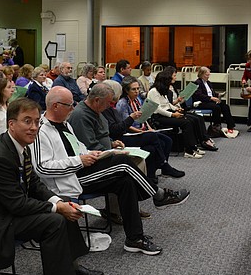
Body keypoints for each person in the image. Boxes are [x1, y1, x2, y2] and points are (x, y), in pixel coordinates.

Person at [0, 97, 103, 275]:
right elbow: (17, 205)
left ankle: (70, 267)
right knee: (54, 220)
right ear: (11, 124)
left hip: (4, 208)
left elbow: (34, 183)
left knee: (64, 203)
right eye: (27, 121)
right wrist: (57, 208)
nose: (34, 127)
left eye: (37, 122)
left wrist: (58, 202)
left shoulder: (21, 146)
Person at [32, 87, 188, 256]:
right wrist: (79, 160)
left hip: (81, 169)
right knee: (122, 163)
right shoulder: (41, 131)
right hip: (68, 180)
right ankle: (158, 195)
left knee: (125, 181)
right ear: (55, 106)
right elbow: (42, 167)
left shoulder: (65, 124)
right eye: (69, 105)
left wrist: (91, 154)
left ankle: (134, 239)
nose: (72, 108)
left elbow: (78, 148)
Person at [114, 77, 184, 179]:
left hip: (142, 129)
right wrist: (143, 132)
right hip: (130, 134)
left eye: (138, 89)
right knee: (152, 146)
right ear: (126, 90)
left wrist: (149, 128)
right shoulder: (123, 104)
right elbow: (126, 125)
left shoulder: (137, 100)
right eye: (133, 89)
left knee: (167, 141)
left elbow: (144, 117)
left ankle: (157, 169)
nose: (137, 92)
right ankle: (162, 167)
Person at [147, 69, 203, 159]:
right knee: (186, 122)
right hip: (158, 117)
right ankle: (188, 150)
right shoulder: (153, 91)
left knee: (190, 120)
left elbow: (167, 104)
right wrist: (172, 115)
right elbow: (158, 109)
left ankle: (193, 146)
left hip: (167, 113)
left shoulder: (162, 90)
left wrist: (176, 109)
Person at [192, 66, 236, 136]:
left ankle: (230, 126)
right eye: (206, 75)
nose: (208, 76)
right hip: (201, 102)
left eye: (208, 75)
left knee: (225, 106)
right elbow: (199, 95)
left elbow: (211, 93)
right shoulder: (197, 83)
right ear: (201, 74)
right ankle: (216, 126)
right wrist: (211, 98)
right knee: (216, 107)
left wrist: (218, 94)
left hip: (209, 101)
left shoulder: (208, 82)